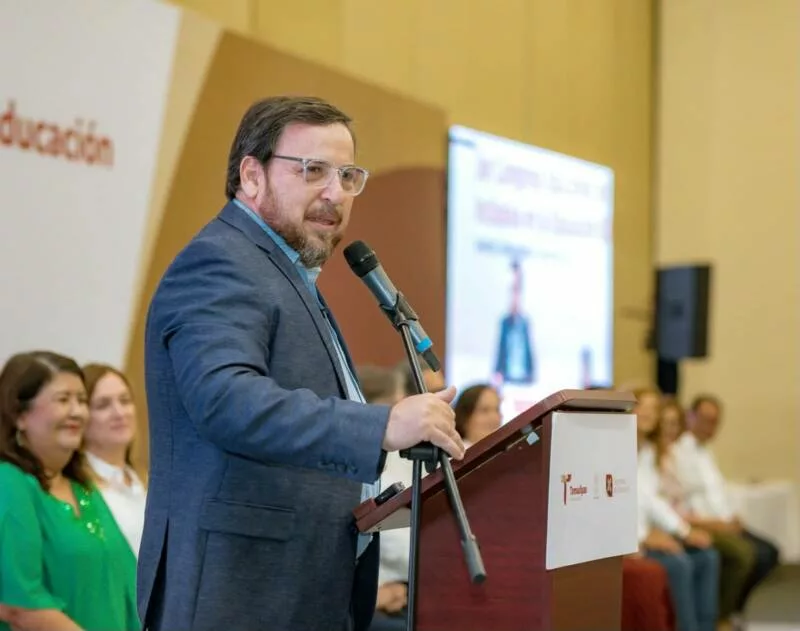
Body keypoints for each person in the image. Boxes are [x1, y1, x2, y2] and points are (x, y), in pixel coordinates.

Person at [138, 96, 465, 631]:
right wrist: (381, 424)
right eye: (313, 170)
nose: (335, 193)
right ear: (252, 176)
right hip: (238, 596)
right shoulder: (220, 261)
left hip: (294, 590)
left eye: (348, 176)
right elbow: (226, 400)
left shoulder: (283, 272)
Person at [0, 351, 139, 631]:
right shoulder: (10, 482)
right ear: (20, 415)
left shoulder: (83, 488)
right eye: (63, 400)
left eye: (82, 400)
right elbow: (20, 605)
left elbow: (128, 587)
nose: (77, 412)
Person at [674, 394, 779, 625]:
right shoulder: (679, 451)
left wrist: (733, 516)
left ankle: (735, 609)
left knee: (770, 552)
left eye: (715, 421)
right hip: (703, 524)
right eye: (705, 419)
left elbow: (717, 492)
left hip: (723, 521)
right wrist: (718, 524)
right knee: (744, 555)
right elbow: (684, 504)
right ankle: (721, 615)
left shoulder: (706, 451)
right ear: (690, 417)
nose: (710, 426)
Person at [633, 385, 720, 631]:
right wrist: (644, 537)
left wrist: (683, 531)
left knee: (707, 556)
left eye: (654, 408)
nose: (649, 413)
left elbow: (652, 500)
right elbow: (626, 501)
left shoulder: (647, 451)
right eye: (643, 407)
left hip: (651, 531)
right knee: (679, 563)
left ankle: (706, 626)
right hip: (632, 539)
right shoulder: (618, 449)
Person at [82, 363, 147, 558]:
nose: (119, 413)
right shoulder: (76, 489)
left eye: (125, 401)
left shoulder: (148, 482)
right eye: (103, 405)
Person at [493, 260, 536, 386]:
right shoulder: (505, 322)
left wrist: (532, 373)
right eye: (512, 292)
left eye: (517, 292)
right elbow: (500, 349)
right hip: (507, 379)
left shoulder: (525, 323)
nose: (514, 298)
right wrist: (497, 372)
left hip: (524, 380)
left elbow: (530, 350)